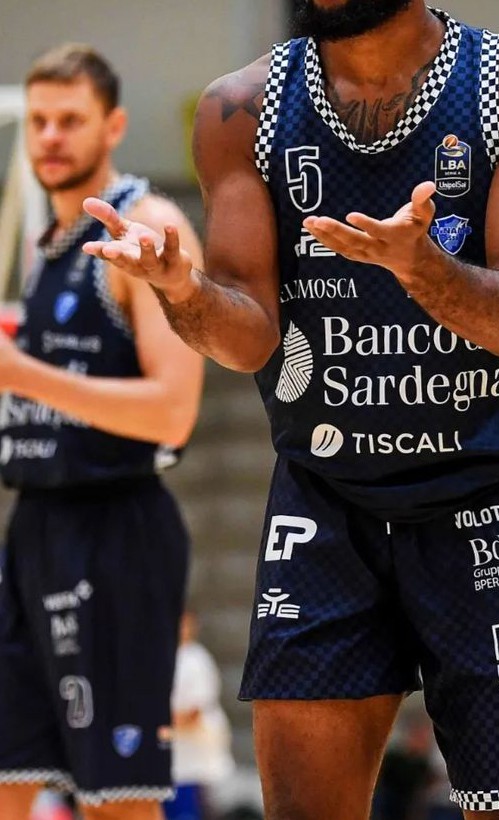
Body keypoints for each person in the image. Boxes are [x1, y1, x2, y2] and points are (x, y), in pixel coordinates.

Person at [83, 1, 499, 817]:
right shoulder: (239, 109)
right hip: (326, 496)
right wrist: (182, 292)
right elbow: (249, 337)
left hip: (489, 494)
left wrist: (420, 267)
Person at [0, 44, 204, 820]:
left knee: (115, 798)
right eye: (40, 121)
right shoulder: (49, 244)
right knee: (7, 776)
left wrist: (22, 376)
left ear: (113, 125)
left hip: (116, 528)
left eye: (70, 120)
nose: (50, 136)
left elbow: (172, 410)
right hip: (34, 524)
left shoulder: (147, 227)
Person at [163, 610, 237, 820]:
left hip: (194, 750)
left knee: (193, 808)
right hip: (176, 752)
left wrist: (158, 727)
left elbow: (194, 711)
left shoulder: (196, 660)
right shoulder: (164, 656)